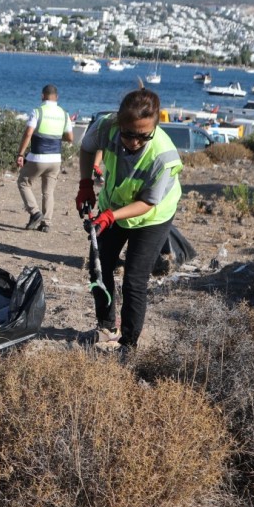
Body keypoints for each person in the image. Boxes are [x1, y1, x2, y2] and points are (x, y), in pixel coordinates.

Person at [75, 87, 182, 354]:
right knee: (99, 265)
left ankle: (128, 344)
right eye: (128, 133)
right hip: (115, 204)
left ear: (155, 126)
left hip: (152, 217)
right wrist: (85, 184)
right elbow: (87, 149)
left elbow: (148, 202)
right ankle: (106, 326)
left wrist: (110, 216)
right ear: (119, 122)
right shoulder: (106, 127)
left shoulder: (163, 156)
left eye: (143, 135)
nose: (134, 141)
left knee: (134, 279)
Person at [15, 84, 73, 232]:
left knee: (23, 181)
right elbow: (70, 137)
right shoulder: (64, 113)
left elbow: (28, 133)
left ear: (42, 96)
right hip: (56, 159)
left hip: (38, 157)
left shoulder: (38, 112)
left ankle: (35, 213)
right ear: (57, 97)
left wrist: (21, 153)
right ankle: (46, 223)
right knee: (48, 191)